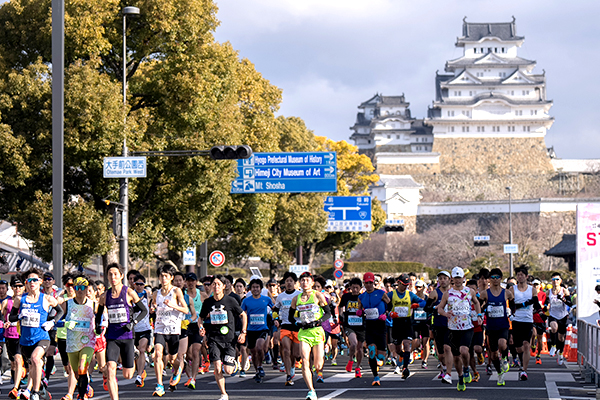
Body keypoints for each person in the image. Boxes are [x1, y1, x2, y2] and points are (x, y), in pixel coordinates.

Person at [9, 268, 64, 400]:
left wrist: (52, 322)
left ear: (40, 282)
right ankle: (37, 390)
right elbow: (11, 318)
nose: (32, 282)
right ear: (26, 283)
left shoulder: (47, 298)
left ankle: (35, 391)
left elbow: (60, 311)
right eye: (29, 280)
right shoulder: (19, 300)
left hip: (42, 338)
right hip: (25, 340)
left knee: (35, 359)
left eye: (35, 280)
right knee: (31, 366)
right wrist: (19, 316)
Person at [95, 263, 148, 400]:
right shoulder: (104, 296)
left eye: (115, 274)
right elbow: (98, 315)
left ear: (121, 276)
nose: (113, 277)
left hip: (128, 336)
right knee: (111, 369)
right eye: (110, 274)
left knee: (128, 375)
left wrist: (133, 323)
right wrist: (97, 327)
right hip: (112, 337)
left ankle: (136, 358)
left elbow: (143, 310)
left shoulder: (129, 292)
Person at [198, 274, 247, 400]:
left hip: (229, 339)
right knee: (217, 367)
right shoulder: (208, 302)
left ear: (224, 286)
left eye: (218, 284)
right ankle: (224, 393)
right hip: (214, 339)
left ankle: (234, 363)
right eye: (214, 284)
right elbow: (201, 318)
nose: (215, 286)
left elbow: (243, 315)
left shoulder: (230, 301)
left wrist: (243, 332)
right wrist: (201, 327)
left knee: (228, 371)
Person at [437, 267, 482, 392]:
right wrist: (446, 314)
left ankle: (466, 368)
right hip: (453, 329)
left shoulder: (470, 291)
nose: (457, 280)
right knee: (456, 357)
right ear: (452, 279)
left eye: (459, 278)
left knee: (464, 351)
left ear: (463, 278)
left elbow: (477, 303)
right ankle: (461, 378)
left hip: (467, 327)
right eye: (455, 278)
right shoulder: (447, 294)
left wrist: (478, 315)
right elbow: (440, 308)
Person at [288, 272, 330, 400]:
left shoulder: (318, 296)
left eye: (307, 280)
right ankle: (311, 390)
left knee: (317, 365)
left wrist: (319, 321)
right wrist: (297, 322)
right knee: (305, 360)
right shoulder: (296, 299)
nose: (304, 283)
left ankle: (321, 361)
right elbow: (290, 317)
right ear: (299, 283)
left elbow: (328, 313)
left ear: (312, 283)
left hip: (317, 332)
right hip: (304, 333)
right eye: (302, 280)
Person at [151, 265, 189, 396]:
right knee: (158, 354)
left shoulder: (176, 291)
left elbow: (186, 310)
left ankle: (177, 370)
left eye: (166, 276)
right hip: (160, 328)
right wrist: (153, 308)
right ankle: (160, 385)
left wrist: (173, 305)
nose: (163, 278)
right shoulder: (155, 293)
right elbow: (154, 306)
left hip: (173, 329)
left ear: (171, 277)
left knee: (173, 360)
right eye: (161, 276)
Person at [62, 275, 96, 400]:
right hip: (72, 343)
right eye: (77, 287)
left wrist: (100, 327)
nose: (80, 290)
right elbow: (55, 318)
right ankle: (86, 386)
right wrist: (64, 323)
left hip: (88, 342)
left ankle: (81, 396)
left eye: (83, 287)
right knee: (77, 374)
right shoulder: (67, 304)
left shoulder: (93, 305)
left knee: (83, 368)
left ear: (87, 289)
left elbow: (103, 318)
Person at [479, 268, 514, 386]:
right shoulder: (485, 293)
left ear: (501, 279)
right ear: (489, 280)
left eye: (497, 277)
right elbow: (479, 306)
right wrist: (483, 311)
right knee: (493, 354)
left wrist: (511, 312)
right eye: (492, 277)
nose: (495, 280)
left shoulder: (507, 293)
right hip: (491, 326)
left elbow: (513, 304)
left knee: (502, 344)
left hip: (503, 324)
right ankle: (499, 373)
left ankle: (504, 358)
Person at [389, 273, 426, 378]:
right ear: (399, 283)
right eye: (403, 284)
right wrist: (389, 313)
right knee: (397, 349)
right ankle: (402, 356)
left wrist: (417, 304)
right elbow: (384, 305)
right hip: (396, 323)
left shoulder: (410, 295)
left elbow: (423, 302)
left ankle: (405, 368)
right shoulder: (392, 294)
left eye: (407, 285)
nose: (405, 286)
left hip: (407, 322)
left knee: (406, 344)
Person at [358, 272, 390, 386]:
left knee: (381, 356)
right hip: (369, 325)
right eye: (366, 283)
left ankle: (381, 357)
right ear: (364, 283)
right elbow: (360, 309)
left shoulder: (381, 293)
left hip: (380, 325)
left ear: (374, 283)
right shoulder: (361, 296)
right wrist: (360, 312)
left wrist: (386, 314)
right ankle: (375, 376)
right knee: (371, 351)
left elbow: (390, 305)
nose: (369, 285)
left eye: (371, 283)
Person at [509, 265, 540, 381]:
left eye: (522, 275)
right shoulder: (513, 289)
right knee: (518, 348)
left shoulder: (532, 289)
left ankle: (524, 370)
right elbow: (511, 305)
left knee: (526, 345)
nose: (520, 277)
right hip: (516, 320)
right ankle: (522, 361)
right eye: (518, 275)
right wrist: (512, 312)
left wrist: (541, 312)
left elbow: (536, 304)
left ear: (526, 276)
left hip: (528, 320)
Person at [241, 278, 274, 383]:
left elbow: (275, 309)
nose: (255, 289)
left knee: (260, 348)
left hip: (262, 329)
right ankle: (257, 370)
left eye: (257, 287)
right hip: (250, 330)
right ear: (250, 289)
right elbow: (241, 314)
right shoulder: (246, 300)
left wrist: (276, 318)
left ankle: (260, 366)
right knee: (254, 352)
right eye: (253, 287)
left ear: (261, 289)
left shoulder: (266, 299)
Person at [272, 272, 301, 386]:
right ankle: (288, 375)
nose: (289, 283)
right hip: (285, 326)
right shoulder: (281, 296)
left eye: (291, 281)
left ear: (295, 283)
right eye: (287, 281)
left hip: (297, 326)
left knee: (296, 353)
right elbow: (275, 309)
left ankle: (293, 366)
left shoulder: (299, 295)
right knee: (286, 350)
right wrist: (276, 319)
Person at [182, 273, 208, 390]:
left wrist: (205, 315)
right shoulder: (182, 295)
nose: (190, 283)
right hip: (185, 325)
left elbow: (209, 306)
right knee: (187, 355)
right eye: (188, 281)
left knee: (196, 351)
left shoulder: (201, 294)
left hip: (198, 325)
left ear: (196, 282)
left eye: (192, 280)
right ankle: (189, 376)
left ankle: (193, 378)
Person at [427, 271, 452, 383]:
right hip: (438, 325)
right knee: (441, 354)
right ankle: (444, 366)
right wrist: (434, 307)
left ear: (449, 279)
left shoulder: (454, 292)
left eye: (444, 278)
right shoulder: (434, 293)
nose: (442, 280)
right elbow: (426, 308)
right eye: (440, 278)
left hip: (452, 325)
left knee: (448, 348)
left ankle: (448, 373)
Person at [3, 277, 25, 399]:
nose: (17, 288)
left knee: (18, 360)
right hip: (9, 335)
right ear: (12, 288)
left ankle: (16, 387)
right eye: (15, 286)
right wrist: (4, 323)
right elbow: (2, 317)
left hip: (21, 335)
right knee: (13, 363)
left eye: (20, 286)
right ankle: (17, 377)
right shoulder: (6, 302)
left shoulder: (27, 301)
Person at [339, 277, 365, 378]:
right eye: (353, 288)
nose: (354, 290)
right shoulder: (346, 297)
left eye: (356, 288)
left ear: (360, 288)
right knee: (353, 343)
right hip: (349, 325)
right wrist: (341, 315)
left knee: (360, 347)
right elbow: (340, 306)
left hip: (361, 325)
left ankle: (358, 367)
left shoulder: (363, 297)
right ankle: (350, 359)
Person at [546, 272, 572, 365]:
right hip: (553, 314)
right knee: (553, 327)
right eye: (553, 279)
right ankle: (553, 346)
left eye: (557, 279)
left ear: (560, 281)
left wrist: (563, 299)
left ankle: (560, 353)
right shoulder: (548, 292)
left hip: (563, 316)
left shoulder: (564, 291)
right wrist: (545, 307)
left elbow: (570, 303)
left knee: (561, 338)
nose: (555, 281)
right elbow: (545, 302)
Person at [132, 273, 152, 388]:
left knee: (142, 350)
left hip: (145, 328)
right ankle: (140, 370)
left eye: (141, 284)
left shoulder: (148, 295)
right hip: (133, 329)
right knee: (135, 354)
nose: (139, 286)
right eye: (137, 284)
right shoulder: (130, 295)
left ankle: (139, 376)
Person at [411, 279, 430, 369]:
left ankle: (425, 361)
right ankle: (411, 352)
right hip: (415, 322)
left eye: (420, 287)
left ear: (423, 288)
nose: (418, 289)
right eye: (416, 287)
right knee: (416, 342)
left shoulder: (427, 298)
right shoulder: (413, 298)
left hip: (425, 323)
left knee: (425, 342)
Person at [531, 279, 547, 364]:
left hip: (540, 319)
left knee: (540, 339)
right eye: (534, 285)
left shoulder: (543, 295)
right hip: (532, 318)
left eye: (537, 285)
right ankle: (533, 345)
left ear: (540, 285)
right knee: (533, 334)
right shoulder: (530, 294)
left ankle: (538, 355)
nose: (535, 286)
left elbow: (546, 306)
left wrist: (543, 307)